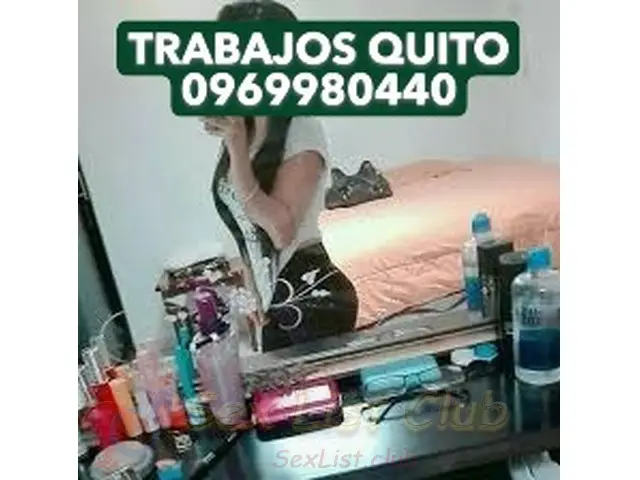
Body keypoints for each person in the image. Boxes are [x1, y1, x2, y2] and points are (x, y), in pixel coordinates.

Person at [200, 1, 358, 352]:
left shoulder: (302, 128)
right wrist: (248, 295)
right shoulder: (242, 128)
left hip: (311, 299)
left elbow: (280, 230)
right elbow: (244, 229)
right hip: (272, 303)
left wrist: (237, 148)